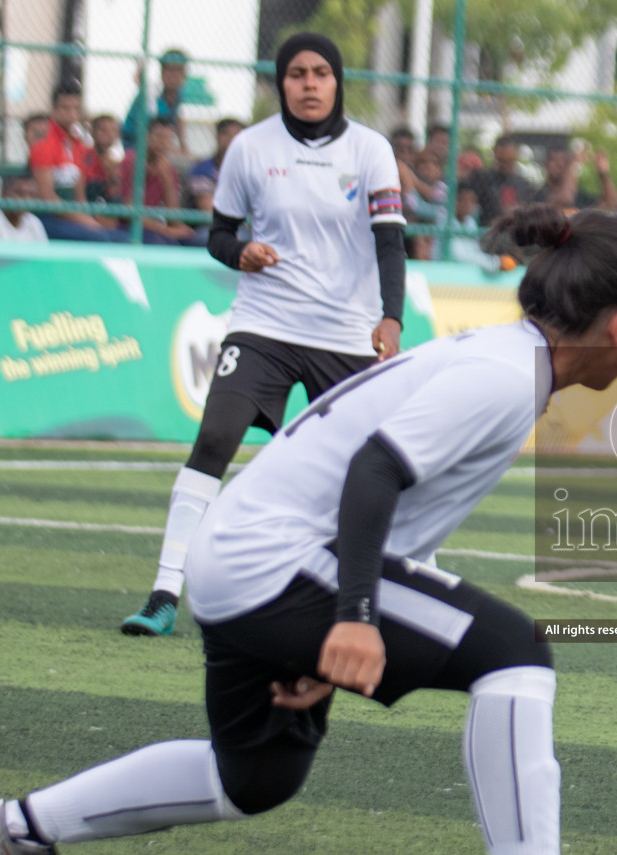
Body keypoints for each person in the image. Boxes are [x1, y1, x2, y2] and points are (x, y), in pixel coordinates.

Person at [0, 202, 617, 855]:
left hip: (244, 557)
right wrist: (353, 619)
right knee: (516, 654)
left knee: (254, 778)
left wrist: (311, 628)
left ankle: (22, 828)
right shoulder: (505, 374)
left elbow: (388, 504)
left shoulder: (509, 362)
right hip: (276, 561)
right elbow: (374, 470)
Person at [119, 34, 408, 637]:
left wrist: (391, 317)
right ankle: (165, 592)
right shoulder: (250, 148)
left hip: (346, 333)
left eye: (320, 73)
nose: (309, 83)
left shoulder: (372, 149)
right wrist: (241, 251)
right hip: (264, 326)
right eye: (297, 73)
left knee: (372, 464)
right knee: (215, 438)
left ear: (337, 82)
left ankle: (381, 596)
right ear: (281, 83)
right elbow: (218, 234)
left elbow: (390, 242)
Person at [29, 83, 127, 243]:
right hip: (47, 217)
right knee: (97, 237)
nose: (71, 114)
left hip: (72, 216)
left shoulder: (77, 144)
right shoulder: (44, 145)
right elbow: (47, 198)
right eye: (65, 108)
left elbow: (79, 193)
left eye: (76, 108)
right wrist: (85, 221)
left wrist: (88, 218)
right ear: (54, 109)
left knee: (123, 238)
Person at [123, 48, 189, 151]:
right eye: (170, 70)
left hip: (158, 148)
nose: (174, 75)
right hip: (134, 147)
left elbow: (178, 122)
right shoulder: (151, 94)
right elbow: (153, 133)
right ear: (162, 73)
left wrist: (183, 147)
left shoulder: (179, 96)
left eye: (179, 70)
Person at [466, 135, 533, 227]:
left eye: (508, 160)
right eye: (502, 160)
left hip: (515, 231)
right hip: (486, 229)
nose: (505, 164)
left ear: (515, 155)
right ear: (495, 154)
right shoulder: (481, 178)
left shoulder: (524, 184)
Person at [531, 143, 617, 213]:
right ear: (545, 165)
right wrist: (574, 164)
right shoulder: (539, 196)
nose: (560, 165)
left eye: (564, 161)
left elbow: (610, 204)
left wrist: (603, 174)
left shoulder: (579, 195)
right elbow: (564, 200)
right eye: (554, 160)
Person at [189, 118, 245, 215]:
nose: (231, 139)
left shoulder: (250, 169)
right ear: (217, 136)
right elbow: (207, 207)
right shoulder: (203, 169)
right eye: (225, 134)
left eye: (237, 135)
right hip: (211, 225)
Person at [0, 174, 48, 243]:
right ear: (4, 193)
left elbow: (44, 257)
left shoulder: (34, 222)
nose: (26, 199)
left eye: (31, 194)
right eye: (19, 193)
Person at [83, 114, 121, 206]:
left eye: (113, 130)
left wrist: (112, 174)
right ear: (93, 132)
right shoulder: (84, 156)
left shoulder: (117, 163)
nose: (109, 135)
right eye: (103, 130)